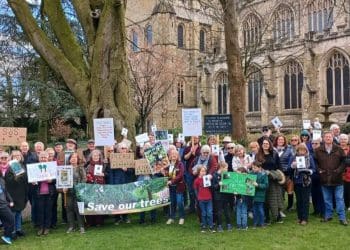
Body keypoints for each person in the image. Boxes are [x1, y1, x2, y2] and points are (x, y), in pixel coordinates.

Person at [314, 131, 347, 225]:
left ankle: (342, 218)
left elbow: (344, 161)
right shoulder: (318, 150)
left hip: (337, 179)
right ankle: (328, 216)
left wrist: (339, 170)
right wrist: (319, 170)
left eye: (330, 137)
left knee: (339, 199)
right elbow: (315, 163)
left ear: (333, 138)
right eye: (326, 137)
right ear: (323, 139)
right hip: (324, 178)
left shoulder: (339, 149)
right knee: (327, 199)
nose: (328, 138)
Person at [256, 138, 283, 224]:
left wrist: (277, 175)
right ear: (261, 145)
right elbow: (257, 167)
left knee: (275, 198)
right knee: (265, 199)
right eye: (264, 143)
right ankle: (266, 218)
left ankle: (278, 216)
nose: (265, 145)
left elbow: (279, 166)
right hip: (263, 179)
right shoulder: (258, 155)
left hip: (273, 179)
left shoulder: (274, 154)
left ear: (270, 144)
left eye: (267, 143)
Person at [289, 143, 316, 225]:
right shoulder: (294, 157)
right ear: (297, 150)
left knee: (305, 200)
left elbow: (314, 169)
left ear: (306, 150)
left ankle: (305, 218)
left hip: (306, 181)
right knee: (299, 200)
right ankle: (299, 217)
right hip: (297, 181)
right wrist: (292, 166)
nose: (301, 151)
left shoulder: (309, 157)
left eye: (303, 150)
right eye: (300, 150)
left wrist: (308, 171)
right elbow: (288, 169)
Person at [6, 151, 28, 237]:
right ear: (11, 157)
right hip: (13, 193)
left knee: (19, 212)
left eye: (18, 155)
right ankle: (13, 231)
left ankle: (18, 229)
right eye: (14, 156)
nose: (16, 157)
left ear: (21, 156)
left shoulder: (22, 165)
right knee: (13, 213)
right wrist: (16, 177)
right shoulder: (10, 167)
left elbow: (25, 177)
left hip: (22, 192)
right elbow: (9, 181)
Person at [35, 151, 56, 236]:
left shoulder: (52, 167)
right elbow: (32, 179)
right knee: (40, 211)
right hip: (39, 193)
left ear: (48, 158)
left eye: (45, 157)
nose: (43, 159)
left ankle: (47, 227)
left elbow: (56, 179)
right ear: (39, 158)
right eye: (41, 157)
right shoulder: (35, 167)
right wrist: (33, 182)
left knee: (48, 210)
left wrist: (51, 180)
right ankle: (41, 227)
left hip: (49, 192)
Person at [65, 153, 86, 234]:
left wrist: (79, 187)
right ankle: (71, 226)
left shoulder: (80, 168)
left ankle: (81, 226)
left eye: (75, 157)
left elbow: (84, 179)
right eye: (72, 157)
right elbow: (62, 179)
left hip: (78, 191)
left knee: (78, 209)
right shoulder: (65, 168)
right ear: (69, 159)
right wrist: (63, 187)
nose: (73, 159)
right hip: (68, 192)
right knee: (69, 209)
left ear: (77, 159)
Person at [84, 149, 106, 226]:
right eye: (94, 155)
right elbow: (85, 175)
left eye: (97, 155)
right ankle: (90, 221)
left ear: (100, 157)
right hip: (90, 186)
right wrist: (88, 177)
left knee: (99, 203)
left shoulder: (103, 164)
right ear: (91, 157)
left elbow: (107, 173)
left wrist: (104, 174)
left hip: (100, 186)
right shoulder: (88, 165)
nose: (96, 157)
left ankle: (99, 221)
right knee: (90, 203)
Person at [273, 134, 293, 212]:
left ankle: (290, 206)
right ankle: (280, 208)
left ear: (284, 141)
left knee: (290, 190)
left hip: (287, 173)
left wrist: (288, 169)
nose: (280, 141)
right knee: (280, 192)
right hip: (278, 174)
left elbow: (291, 160)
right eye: (279, 139)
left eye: (282, 140)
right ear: (276, 141)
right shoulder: (273, 150)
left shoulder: (289, 149)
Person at [165, 149, 185, 225]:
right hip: (171, 187)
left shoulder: (180, 164)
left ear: (177, 156)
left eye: (175, 154)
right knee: (172, 203)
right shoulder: (168, 165)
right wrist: (164, 173)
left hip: (179, 186)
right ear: (170, 156)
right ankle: (172, 218)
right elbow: (167, 175)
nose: (173, 156)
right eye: (172, 154)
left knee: (179, 202)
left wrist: (172, 181)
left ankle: (182, 217)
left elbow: (180, 175)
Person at [212, 161, 232, 232]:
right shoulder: (214, 175)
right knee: (219, 211)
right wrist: (218, 185)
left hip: (226, 196)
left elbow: (229, 185)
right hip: (218, 197)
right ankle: (219, 225)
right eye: (226, 168)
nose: (227, 170)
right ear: (221, 168)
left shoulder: (227, 175)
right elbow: (213, 187)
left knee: (227, 211)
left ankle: (229, 224)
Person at [193, 166, 215, 233]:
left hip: (209, 198)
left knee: (210, 213)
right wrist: (198, 198)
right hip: (201, 199)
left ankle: (211, 226)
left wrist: (210, 178)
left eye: (205, 171)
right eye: (202, 171)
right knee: (204, 213)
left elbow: (211, 187)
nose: (203, 172)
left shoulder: (207, 178)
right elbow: (195, 190)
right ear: (199, 172)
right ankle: (204, 226)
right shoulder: (196, 180)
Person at [183, 136, 201, 213]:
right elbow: (184, 158)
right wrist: (191, 152)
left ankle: (199, 206)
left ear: (199, 139)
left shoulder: (202, 148)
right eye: (193, 138)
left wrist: (195, 153)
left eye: (196, 138)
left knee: (199, 189)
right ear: (191, 139)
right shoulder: (187, 148)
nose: (195, 139)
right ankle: (192, 207)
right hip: (189, 172)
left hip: (199, 172)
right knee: (190, 190)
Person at [251, 161, 268, 228]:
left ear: (259, 168)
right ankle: (255, 223)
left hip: (260, 195)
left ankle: (262, 223)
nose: (253, 169)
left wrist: (258, 185)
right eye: (252, 168)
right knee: (254, 210)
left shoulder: (264, 175)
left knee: (260, 209)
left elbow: (266, 185)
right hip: (253, 195)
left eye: (255, 168)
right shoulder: (251, 173)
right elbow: (246, 177)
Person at [310, 138, 325, 217]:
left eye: (316, 143)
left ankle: (323, 211)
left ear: (320, 144)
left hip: (321, 176)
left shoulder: (323, 153)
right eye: (313, 143)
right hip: (312, 176)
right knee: (314, 194)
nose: (314, 145)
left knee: (321, 194)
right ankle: (316, 210)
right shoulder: (309, 153)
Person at [0, 171, 14, 245]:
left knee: (8, 221)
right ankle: (7, 236)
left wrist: (10, 200)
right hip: (2, 206)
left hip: (4, 205)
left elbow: (6, 192)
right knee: (11, 219)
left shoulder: (1, 180)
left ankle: (6, 236)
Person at [340, 134, 350, 210]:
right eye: (342, 139)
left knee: (347, 190)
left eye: (345, 139)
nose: (343, 141)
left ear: (348, 140)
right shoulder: (336, 149)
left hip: (348, 174)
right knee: (339, 191)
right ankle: (340, 205)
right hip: (338, 173)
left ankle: (347, 205)